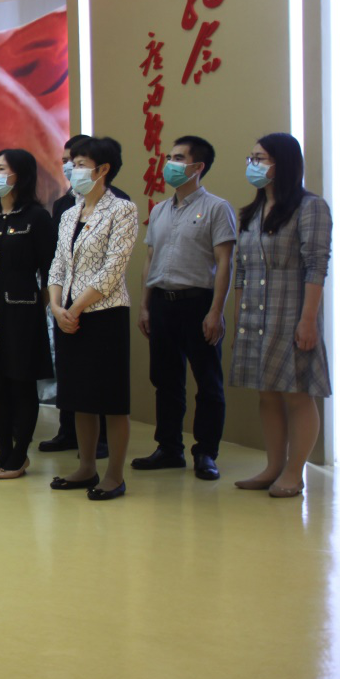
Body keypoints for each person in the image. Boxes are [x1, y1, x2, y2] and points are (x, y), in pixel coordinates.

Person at [231, 133, 331, 498]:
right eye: (251, 157)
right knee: (268, 393)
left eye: (260, 158)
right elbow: (241, 270)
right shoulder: (252, 212)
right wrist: (239, 317)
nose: (253, 165)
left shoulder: (310, 207)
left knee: (297, 393)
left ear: (282, 163)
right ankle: (273, 466)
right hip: (255, 315)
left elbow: (316, 265)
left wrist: (308, 320)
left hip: (291, 312)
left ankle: (294, 471)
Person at [134, 136, 236, 481]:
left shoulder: (217, 208)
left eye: (178, 158)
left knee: (207, 381)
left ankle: (206, 452)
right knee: (165, 380)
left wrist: (216, 311)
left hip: (198, 303)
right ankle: (169, 448)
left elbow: (224, 263)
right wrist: (145, 306)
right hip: (162, 303)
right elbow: (150, 259)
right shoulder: (160, 210)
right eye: (170, 157)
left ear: (198, 167)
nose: (170, 164)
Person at [47, 136, 139, 500]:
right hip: (68, 315)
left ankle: (114, 475)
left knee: (111, 401)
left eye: (81, 164)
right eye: (72, 164)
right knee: (79, 397)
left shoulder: (122, 209)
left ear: (103, 170)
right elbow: (57, 264)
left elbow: (113, 269)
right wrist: (56, 306)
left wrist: (75, 308)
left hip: (104, 314)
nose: (73, 170)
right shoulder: (69, 213)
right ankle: (86, 467)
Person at [0, 150, 55, 479]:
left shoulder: (36, 218)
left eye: (1, 169)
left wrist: (37, 309)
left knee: (20, 383)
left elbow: (50, 272)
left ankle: (19, 455)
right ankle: (3, 451)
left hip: (21, 314)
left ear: (19, 175)